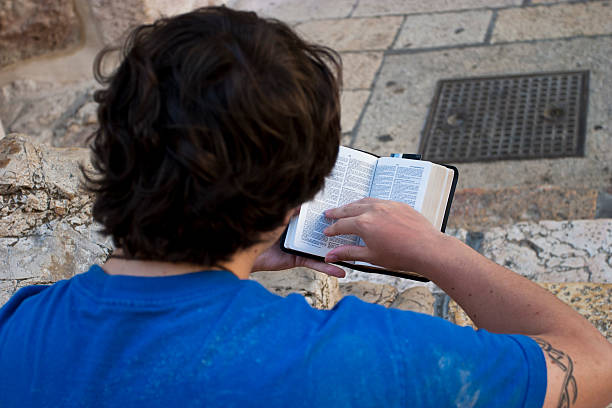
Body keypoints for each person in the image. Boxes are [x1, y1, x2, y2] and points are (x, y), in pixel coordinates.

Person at [0, 6, 611, 408]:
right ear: (296, 197)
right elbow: (592, 365)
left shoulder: (20, 328)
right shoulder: (368, 360)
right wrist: (437, 250)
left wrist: (227, 260)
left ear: (110, 148)